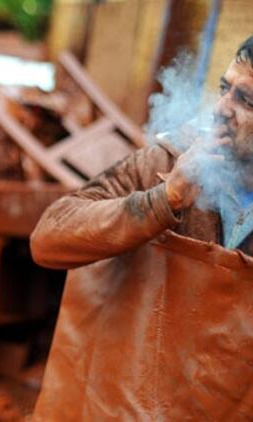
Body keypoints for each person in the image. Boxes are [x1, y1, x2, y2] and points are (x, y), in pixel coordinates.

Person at [30, 36, 253, 420]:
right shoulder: (164, 164)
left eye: (245, 100)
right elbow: (49, 238)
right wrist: (165, 198)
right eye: (223, 89)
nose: (221, 109)